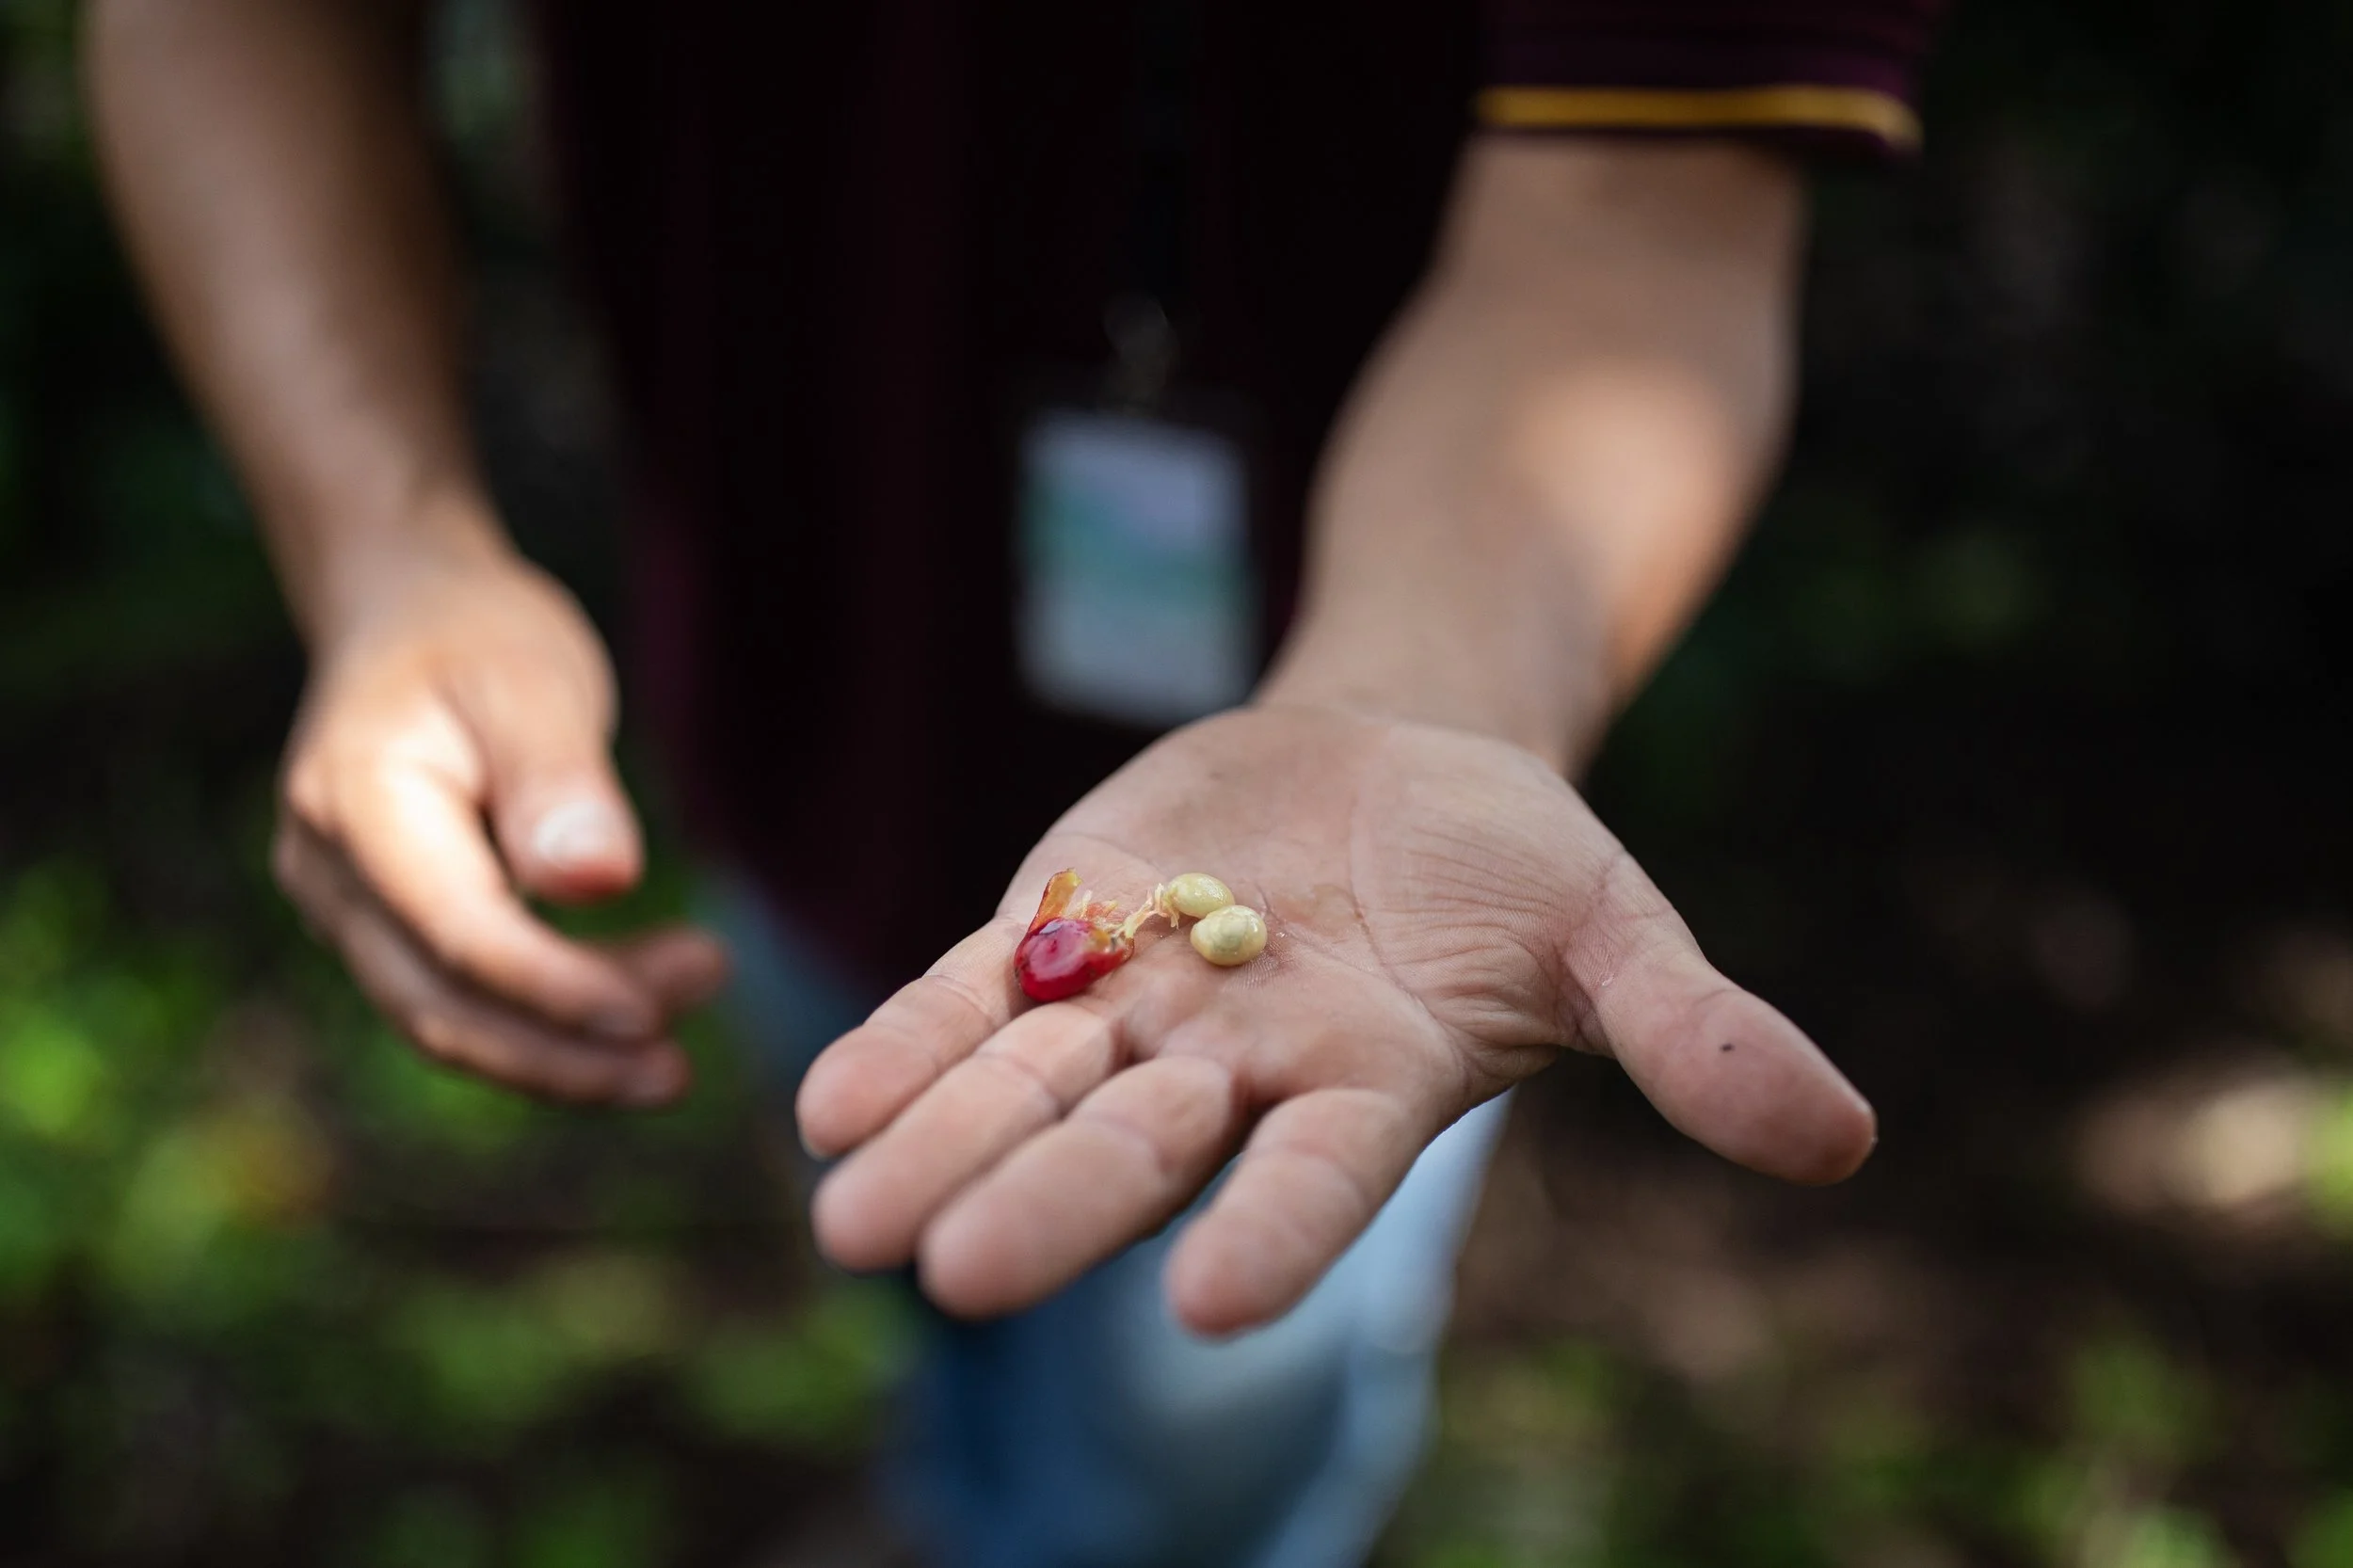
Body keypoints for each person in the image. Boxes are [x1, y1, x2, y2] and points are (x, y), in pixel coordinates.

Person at [85, 1, 1941, 1562]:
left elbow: (1633, 213)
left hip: (1368, 805)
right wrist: (387, 546)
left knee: (1181, 1434)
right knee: (917, 1212)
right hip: (785, 676)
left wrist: (1418, 691)